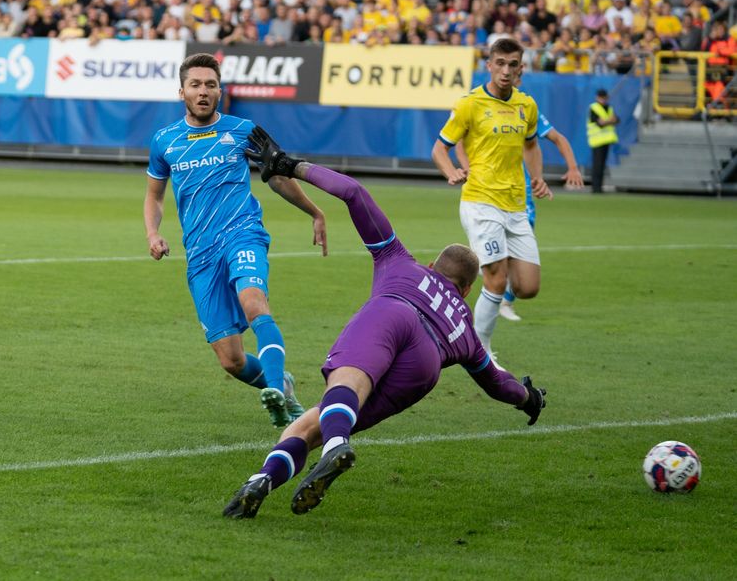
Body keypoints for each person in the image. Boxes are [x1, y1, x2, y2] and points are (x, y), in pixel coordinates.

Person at [223, 128, 547, 518]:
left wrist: (293, 166)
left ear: (432, 266)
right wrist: (530, 398)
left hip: (393, 313)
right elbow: (499, 384)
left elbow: (354, 194)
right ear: (465, 290)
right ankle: (263, 479)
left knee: (340, 395)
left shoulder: (401, 262)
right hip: (425, 366)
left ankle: (332, 447)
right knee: (317, 421)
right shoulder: (465, 325)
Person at [144, 53, 327, 427]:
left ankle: (274, 389)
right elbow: (154, 196)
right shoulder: (164, 141)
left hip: (243, 233)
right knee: (231, 359)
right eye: (195, 84)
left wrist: (314, 211)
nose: (203, 91)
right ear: (182, 92)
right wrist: (153, 232)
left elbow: (277, 177)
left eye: (210, 84)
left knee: (254, 302)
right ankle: (285, 388)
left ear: (220, 90)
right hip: (201, 254)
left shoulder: (243, 130)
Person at [431, 37, 552, 359]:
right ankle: (479, 350)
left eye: (513, 65)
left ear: (521, 68)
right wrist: (451, 172)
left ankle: (458, 307)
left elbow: (531, 145)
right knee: (496, 278)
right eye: (499, 63)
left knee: (528, 287)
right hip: (480, 200)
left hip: (515, 205)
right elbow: (440, 147)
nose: (505, 71)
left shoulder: (527, 105)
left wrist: (537, 177)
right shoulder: (470, 104)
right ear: (489, 65)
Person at [454, 75, 584, 322]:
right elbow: (458, 140)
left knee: (526, 275)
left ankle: (502, 289)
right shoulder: (476, 104)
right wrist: (466, 167)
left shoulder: (526, 109)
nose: (509, 77)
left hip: (520, 193)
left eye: (514, 69)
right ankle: (498, 299)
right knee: (497, 272)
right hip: (486, 192)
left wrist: (572, 167)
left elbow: (555, 139)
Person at [587, 89, 619, 194]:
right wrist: (609, 121)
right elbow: (599, 123)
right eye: (601, 97)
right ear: (597, 97)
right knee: (597, 165)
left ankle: (599, 187)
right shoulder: (593, 108)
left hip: (607, 140)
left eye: (604, 97)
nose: (603, 99)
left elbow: (617, 120)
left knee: (602, 165)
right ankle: (595, 187)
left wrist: (607, 121)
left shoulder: (609, 108)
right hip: (596, 141)